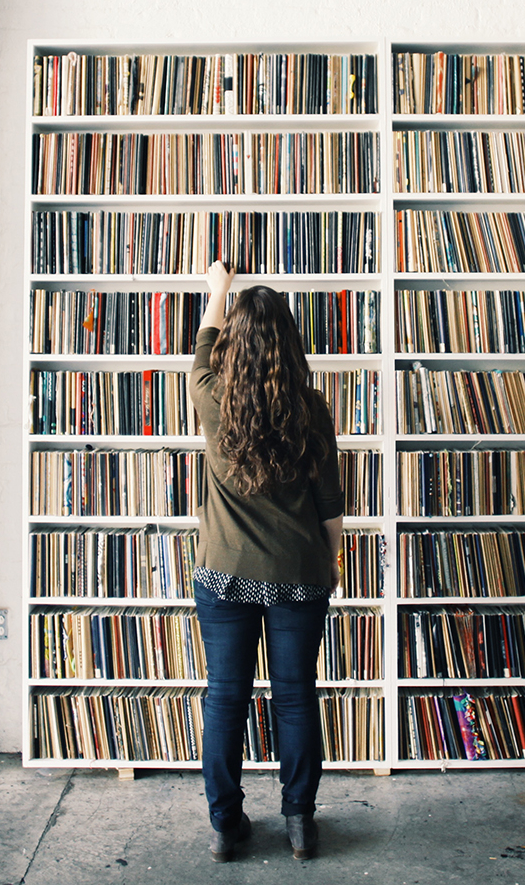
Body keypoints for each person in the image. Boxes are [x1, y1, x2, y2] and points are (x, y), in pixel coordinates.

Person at [188, 260, 343, 863]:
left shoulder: (211, 396)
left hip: (224, 574)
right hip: (298, 575)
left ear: (235, 343)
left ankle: (226, 827)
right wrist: (326, 567)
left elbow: (201, 349)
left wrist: (218, 290)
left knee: (225, 696)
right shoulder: (312, 409)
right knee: (296, 696)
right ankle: (300, 823)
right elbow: (331, 508)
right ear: (290, 341)